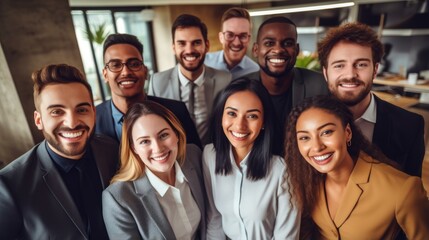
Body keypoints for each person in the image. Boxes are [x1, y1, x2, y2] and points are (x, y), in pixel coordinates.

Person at [284, 95, 429, 239]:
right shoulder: (306, 182)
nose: (316, 147)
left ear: (347, 133)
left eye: (326, 132)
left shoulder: (403, 189)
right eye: (305, 137)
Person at [0, 64, 118, 239]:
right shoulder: (9, 185)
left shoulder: (112, 149)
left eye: (82, 109)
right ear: (38, 120)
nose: (71, 123)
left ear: (93, 113)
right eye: (57, 112)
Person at [317, 22, 424, 176]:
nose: (350, 75)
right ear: (326, 73)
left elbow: (413, 190)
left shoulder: (410, 125)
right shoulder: (308, 121)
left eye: (361, 64)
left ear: (375, 70)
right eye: (339, 65)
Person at [203, 78, 300, 239]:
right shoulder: (209, 155)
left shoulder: (281, 169)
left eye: (252, 116)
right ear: (221, 116)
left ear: (263, 122)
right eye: (232, 113)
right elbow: (214, 220)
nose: (240, 125)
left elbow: (287, 236)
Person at [102, 101, 206, 239]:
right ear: (134, 148)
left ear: (176, 134)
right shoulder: (118, 199)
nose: (158, 149)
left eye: (163, 135)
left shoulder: (194, 156)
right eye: (145, 141)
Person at [96, 33, 202, 149]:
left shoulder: (177, 111)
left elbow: (195, 159)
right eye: (115, 65)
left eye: (134, 64)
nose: (126, 72)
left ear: (145, 72)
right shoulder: (93, 120)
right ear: (105, 74)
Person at [246, 16, 329, 154]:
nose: (278, 50)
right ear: (255, 49)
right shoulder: (241, 89)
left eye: (287, 43)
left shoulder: (320, 86)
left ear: (296, 50)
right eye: (269, 43)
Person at [149, 14, 231, 145]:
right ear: (173, 47)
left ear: (207, 45)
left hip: (214, 156)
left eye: (196, 43)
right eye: (181, 43)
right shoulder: (157, 83)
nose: (189, 50)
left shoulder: (225, 80)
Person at [204, 7, 259, 80]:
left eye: (243, 36)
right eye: (230, 35)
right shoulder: (203, 63)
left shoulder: (255, 71)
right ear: (221, 37)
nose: (236, 43)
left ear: (249, 39)